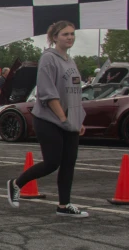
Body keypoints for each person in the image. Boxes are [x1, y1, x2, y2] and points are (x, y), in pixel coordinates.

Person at [7, 21, 87, 218]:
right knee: (52, 162)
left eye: (72, 34)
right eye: (65, 34)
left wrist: (77, 120)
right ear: (54, 38)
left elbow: (74, 93)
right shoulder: (48, 59)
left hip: (69, 120)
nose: (70, 37)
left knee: (69, 162)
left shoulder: (70, 61)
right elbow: (48, 93)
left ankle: (64, 205)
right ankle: (16, 184)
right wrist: (63, 118)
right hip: (49, 120)